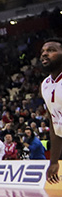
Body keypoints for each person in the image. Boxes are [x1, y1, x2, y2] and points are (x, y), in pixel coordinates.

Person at [39, 38, 62, 184]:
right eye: (43, 51)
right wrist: (53, 161)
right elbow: (54, 125)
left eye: (51, 50)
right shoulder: (45, 84)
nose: (45, 54)